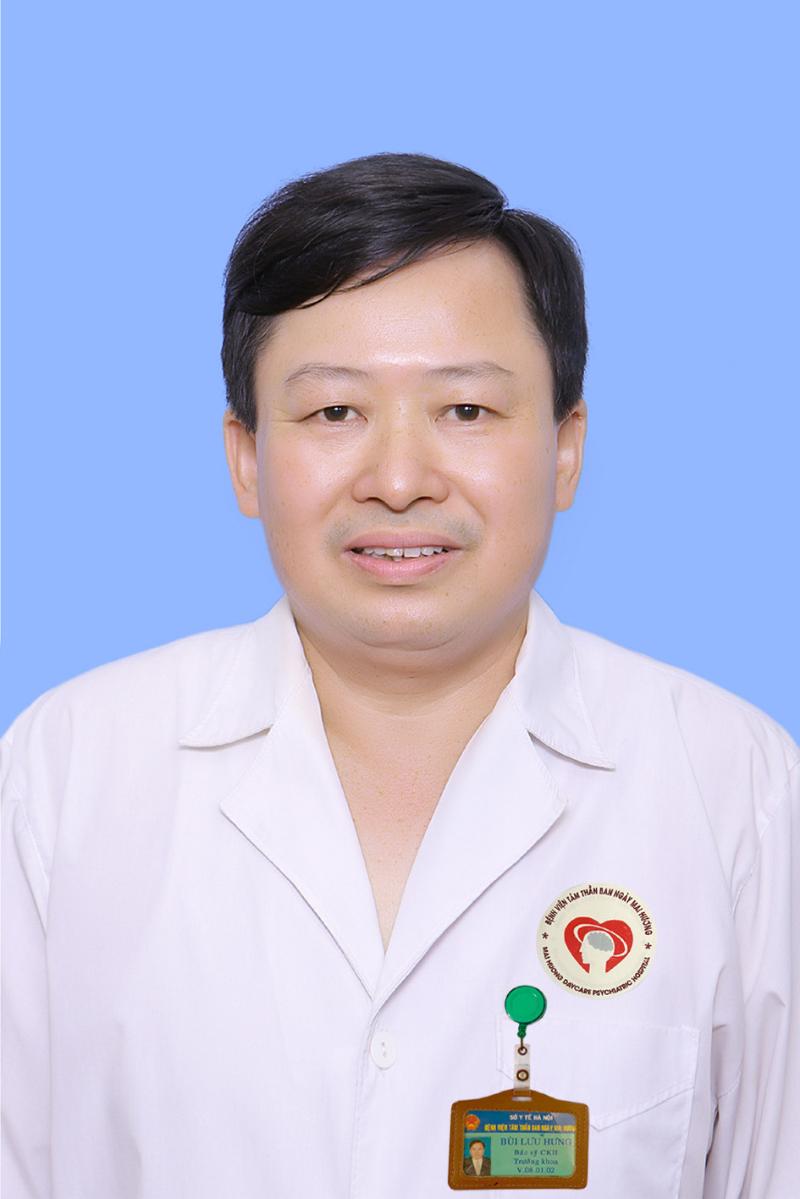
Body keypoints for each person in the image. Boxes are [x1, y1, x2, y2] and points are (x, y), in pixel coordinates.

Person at [1, 151, 797, 1199]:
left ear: (564, 448)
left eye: (465, 411)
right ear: (246, 456)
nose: (399, 479)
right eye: (335, 413)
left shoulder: (732, 782)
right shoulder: (69, 769)